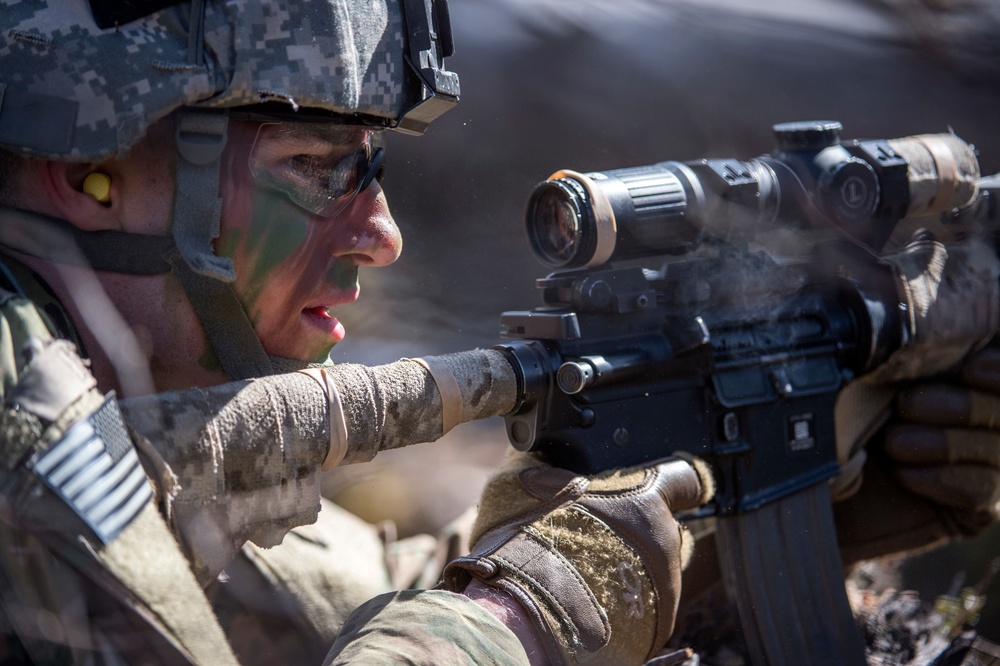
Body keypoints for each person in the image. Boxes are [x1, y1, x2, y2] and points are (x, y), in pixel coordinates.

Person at [0, 2, 997, 665]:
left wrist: (780, 527)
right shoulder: (20, 401)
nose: (382, 236)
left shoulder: (124, 412)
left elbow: (352, 604)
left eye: (375, 167)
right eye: (315, 166)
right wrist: (525, 612)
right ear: (87, 165)